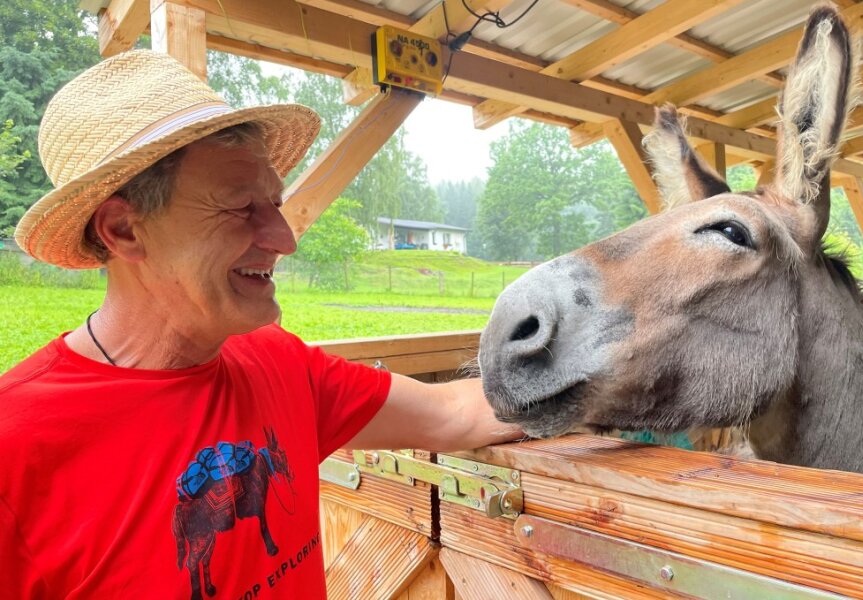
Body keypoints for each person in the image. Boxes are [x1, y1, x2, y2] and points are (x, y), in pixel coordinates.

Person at [0, 50, 522, 599]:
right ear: (125, 230)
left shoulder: (277, 362)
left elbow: (454, 412)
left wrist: (611, 370)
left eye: (273, 203)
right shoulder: (17, 448)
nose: (284, 239)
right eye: (239, 206)